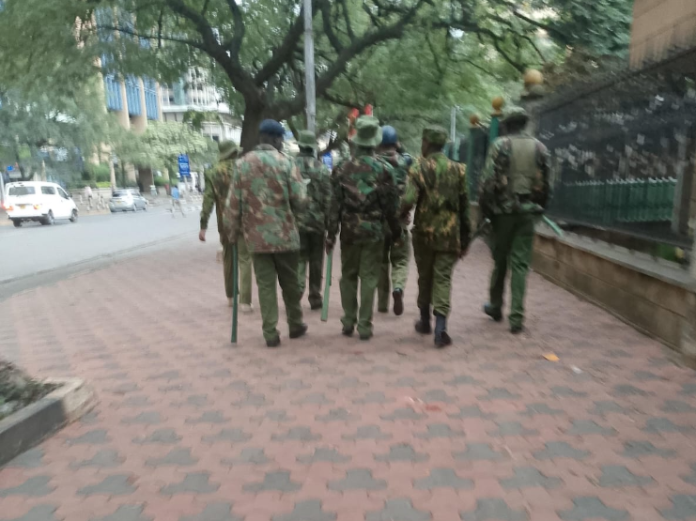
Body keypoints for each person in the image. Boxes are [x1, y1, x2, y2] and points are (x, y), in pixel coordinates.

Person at [223, 119, 308, 348]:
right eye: (282, 139)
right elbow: (301, 200)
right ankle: (295, 323)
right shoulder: (287, 164)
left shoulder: (241, 165)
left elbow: (232, 205)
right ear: (277, 139)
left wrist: (231, 231)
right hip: (285, 235)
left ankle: (270, 331)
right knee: (290, 282)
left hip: (256, 237)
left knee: (266, 285)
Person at [326, 116, 401, 341]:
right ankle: (365, 325)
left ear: (356, 141)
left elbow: (333, 205)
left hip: (349, 231)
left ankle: (348, 321)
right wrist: (396, 232)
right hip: (374, 231)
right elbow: (392, 206)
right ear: (374, 142)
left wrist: (330, 234)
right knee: (369, 276)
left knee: (348, 275)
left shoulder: (341, 168)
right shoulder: (385, 169)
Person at [479, 107, 550, 334]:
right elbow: (547, 183)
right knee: (520, 264)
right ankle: (517, 317)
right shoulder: (540, 148)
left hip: (503, 212)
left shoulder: (500, 145)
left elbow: (487, 181)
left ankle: (496, 306)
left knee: (500, 260)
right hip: (528, 211)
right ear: (524, 124)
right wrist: (539, 208)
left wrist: (485, 211)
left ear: (507, 124)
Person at [401, 126, 471, 348]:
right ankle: (441, 329)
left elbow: (409, 198)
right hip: (450, 235)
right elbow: (464, 207)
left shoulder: (418, 168)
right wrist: (465, 238)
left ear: (426, 144)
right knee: (442, 278)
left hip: (424, 233)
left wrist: (400, 215)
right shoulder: (459, 170)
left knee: (425, 276)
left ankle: (424, 320)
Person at [200, 141, 254, 312]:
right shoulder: (244, 168)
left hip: (224, 222)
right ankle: (245, 302)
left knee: (228, 259)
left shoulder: (212, 172)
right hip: (245, 220)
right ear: (234, 153)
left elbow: (208, 200)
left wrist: (203, 225)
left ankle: (231, 297)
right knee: (245, 259)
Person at [294, 130, 332, 310]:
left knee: (300, 259)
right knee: (316, 261)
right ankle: (315, 297)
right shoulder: (322, 168)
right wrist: (331, 226)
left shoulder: (290, 166)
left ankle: (297, 292)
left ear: (300, 145)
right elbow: (328, 199)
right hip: (317, 223)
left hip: (296, 223)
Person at [377, 126, 411, 316]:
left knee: (381, 262)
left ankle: (382, 304)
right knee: (400, 259)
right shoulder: (405, 162)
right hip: (400, 219)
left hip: (380, 220)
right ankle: (398, 287)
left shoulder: (374, 163)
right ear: (395, 143)